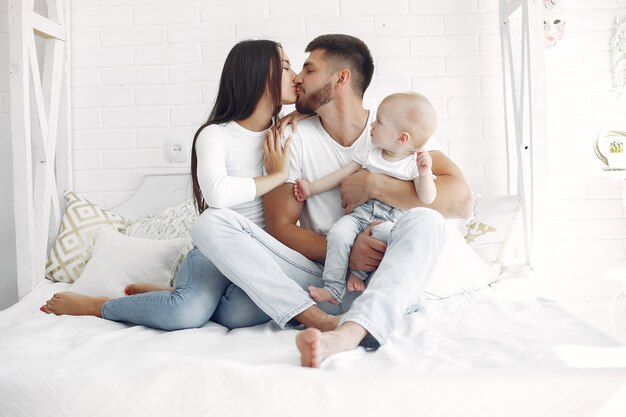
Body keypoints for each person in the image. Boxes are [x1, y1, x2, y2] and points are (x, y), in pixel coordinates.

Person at [41, 39, 340, 332]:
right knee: (186, 312)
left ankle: (168, 291)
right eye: (286, 66)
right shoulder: (215, 135)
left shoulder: (287, 129)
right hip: (216, 248)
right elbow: (217, 195)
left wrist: (301, 113)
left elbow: (329, 108)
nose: (296, 77)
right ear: (257, 74)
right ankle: (100, 305)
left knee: (235, 315)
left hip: (262, 254)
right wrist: (275, 176)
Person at [261, 34, 473, 367]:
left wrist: (375, 185)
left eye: (309, 69)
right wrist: (346, 252)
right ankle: (353, 328)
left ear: (340, 78)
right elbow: (280, 227)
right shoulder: (293, 137)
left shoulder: (401, 128)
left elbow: (461, 202)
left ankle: (348, 333)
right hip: (333, 276)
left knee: (428, 220)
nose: (297, 79)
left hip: (396, 271)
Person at [292, 92, 438, 304]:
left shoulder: (412, 164)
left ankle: (363, 277)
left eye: (379, 122)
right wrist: (311, 188)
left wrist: (425, 173)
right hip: (360, 215)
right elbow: (341, 174)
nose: (372, 126)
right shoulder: (371, 153)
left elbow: (427, 198)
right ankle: (333, 288)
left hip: (388, 222)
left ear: (402, 138)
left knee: (389, 240)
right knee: (338, 233)